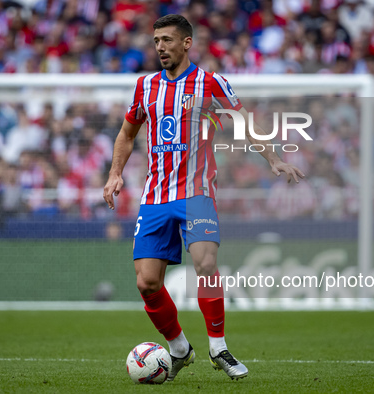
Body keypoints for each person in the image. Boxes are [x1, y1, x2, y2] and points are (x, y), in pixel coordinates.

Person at [103, 14, 304, 382]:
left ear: (186, 43)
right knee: (146, 283)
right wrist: (115, 173)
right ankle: (179, 348)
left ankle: (218, 347)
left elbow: (244, 121)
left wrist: (273, 159)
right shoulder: (145, 86)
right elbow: (127, 134)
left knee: (206, 264)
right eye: (156, 40)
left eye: (167, 40)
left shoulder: (210, 83)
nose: (160, 46)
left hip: (196, 193)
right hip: (156, 198)